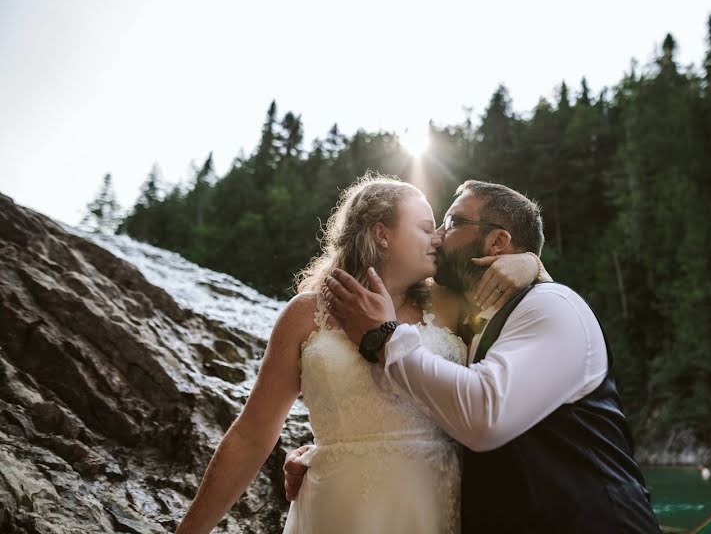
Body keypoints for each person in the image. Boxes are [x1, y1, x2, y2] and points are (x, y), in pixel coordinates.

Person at [175, 174, 544, 534]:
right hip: (333, 506)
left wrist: (533, 264)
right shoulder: (305, 314)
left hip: (429, 508)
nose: (438, 238)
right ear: (381, 233)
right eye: (425, 227)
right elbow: (251, 435)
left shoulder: (458, 306)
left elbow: (537, 338)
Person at [312, 180, 662, 533]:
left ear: (498, 242)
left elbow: (482, 415)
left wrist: (384, 337)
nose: (438, 236)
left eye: (454, 222)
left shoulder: (552, 307)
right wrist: (330, 454)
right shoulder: (471, 324)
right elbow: (431, 409)